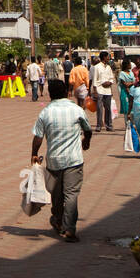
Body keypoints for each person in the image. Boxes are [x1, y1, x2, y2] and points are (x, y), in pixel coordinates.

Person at [31, 78, 92, 241]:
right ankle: (69, 229)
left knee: (56, 196)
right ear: (66, 92)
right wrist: (86, 141)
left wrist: (34, 154)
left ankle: (58, 221)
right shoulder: (76, 109)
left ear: (50, 94)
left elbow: (38, 136)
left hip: (54, 161)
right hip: (74, 160)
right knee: (71, 195)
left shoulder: (45, 112)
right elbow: (88, 128)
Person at [91, 50, 115, 132]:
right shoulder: (97, 67)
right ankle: (99, 125)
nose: (108, 58)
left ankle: (109, 125)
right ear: (104, 57)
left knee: (108, 108)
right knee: (99, 109)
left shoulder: (108, 67)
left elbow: (112, 77)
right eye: (107, 56)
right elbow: (95, 79)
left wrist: (110, 83)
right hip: (99, 89)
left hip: (108, 90)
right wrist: (95, 91)